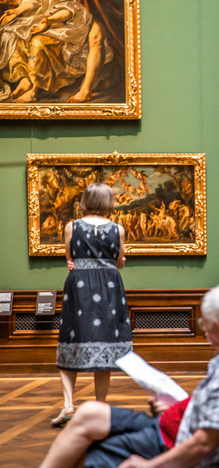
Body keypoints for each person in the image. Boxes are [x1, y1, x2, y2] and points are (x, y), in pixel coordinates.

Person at [39, 284, 219, 468]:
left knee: (84, 453)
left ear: (218, 328)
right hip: (172, 423)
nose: (205, 331)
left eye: (205, 325)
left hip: (170, 441)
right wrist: (178, 404)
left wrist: (152, 466)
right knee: (90, 412)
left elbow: (203, 444)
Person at [52, 183, 131, 427]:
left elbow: (70, 260)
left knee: (70, 339)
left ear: (85, 200)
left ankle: (68, 404)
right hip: (108, 285)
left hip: (79, 286)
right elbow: (119, 261)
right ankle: (99, 406)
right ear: (109, 202)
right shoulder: (118, 229)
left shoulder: (71, 227)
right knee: (105, 341)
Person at [0, 0, 93, 103]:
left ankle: (34, 91)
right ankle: (25, 79)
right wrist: (18, 10)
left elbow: (71, 10)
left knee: (38, 41)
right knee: (11, 33)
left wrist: (49, 20)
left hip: (64, 27)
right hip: (41, 20)